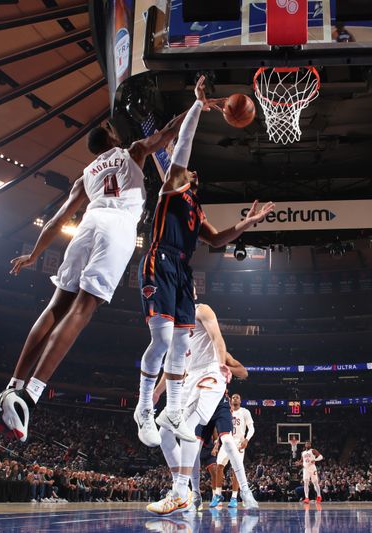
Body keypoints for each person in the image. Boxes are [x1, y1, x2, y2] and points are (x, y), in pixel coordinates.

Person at [0, 100, 189, 443]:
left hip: (88, 224)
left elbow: (58, 218)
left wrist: (34, 254)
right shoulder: (133, 151)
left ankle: (12, 387)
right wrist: (196, 106)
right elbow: (169, 131)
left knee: (56, 307)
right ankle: (29, 398)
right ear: (111, 137)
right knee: (83, 309)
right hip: (118, 226)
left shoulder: (85, 176)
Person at [134, 75, 274, 446]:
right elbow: (183, 145)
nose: (194, 171)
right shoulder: (173, 186)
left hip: (182, 270)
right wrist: (198, 105)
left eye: (195, 173)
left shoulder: (197, 208)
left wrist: (247, 223)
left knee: (181, 344)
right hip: (159, 259)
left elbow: (217, 239)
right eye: (191, 170)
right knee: (163, 338)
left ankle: (176, 411)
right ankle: (144, 406)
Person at [146, 302, 258, 515]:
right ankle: (190, 492)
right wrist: (158, 392)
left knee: (207, 434)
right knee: (166, 433)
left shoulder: (201, 311)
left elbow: (221, 344)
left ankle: (183, 491)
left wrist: (223, 365)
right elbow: (171, 365)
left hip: (212, 380)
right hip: (189, 381)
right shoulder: (173, 328)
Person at [214, 393, 255, 508]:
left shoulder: (244, 412)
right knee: (219, 466)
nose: (235, 398)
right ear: (230, 400)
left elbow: (251, 428)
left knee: (235, 469)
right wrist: (217, 443)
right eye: (233, 397)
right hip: (227, 441)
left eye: (237, 397)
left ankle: (234, 497)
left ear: (240, 400)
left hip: (238, 443)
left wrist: (246, 440)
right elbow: (220, 428)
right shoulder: (226, 412)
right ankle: (217, 494)